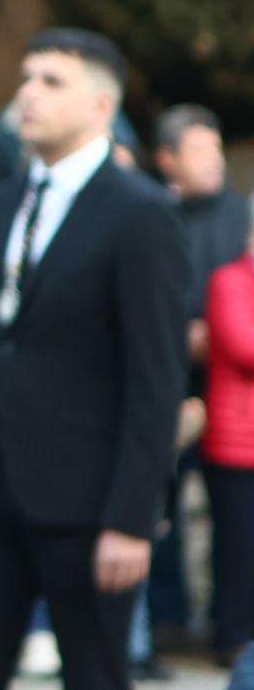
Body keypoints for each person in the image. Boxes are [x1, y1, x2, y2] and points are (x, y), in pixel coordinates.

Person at [0, 28, 190, 690]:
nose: (27, 93)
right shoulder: (1, 202)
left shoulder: (140, 215)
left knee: (95, 675)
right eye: (26, 77)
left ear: (100, 107)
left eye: (52, 81)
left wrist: (132, 520)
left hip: (91, 500)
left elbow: (157, 376)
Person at [149, 104, 247, 662]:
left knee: (235, 521)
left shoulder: (240, 217)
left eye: (216, 149)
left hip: (231, 392)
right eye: (199, 150)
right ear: (167, 160)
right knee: (158, 508)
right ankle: (167, 622)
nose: (213, 160)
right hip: (166, 384)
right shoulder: (149, 214)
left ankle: (228, 628)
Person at [203, 213, 254, 667]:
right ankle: (233, 639)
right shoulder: (229, 281)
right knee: (239, 550)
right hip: (237, 444)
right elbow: (244, 345)